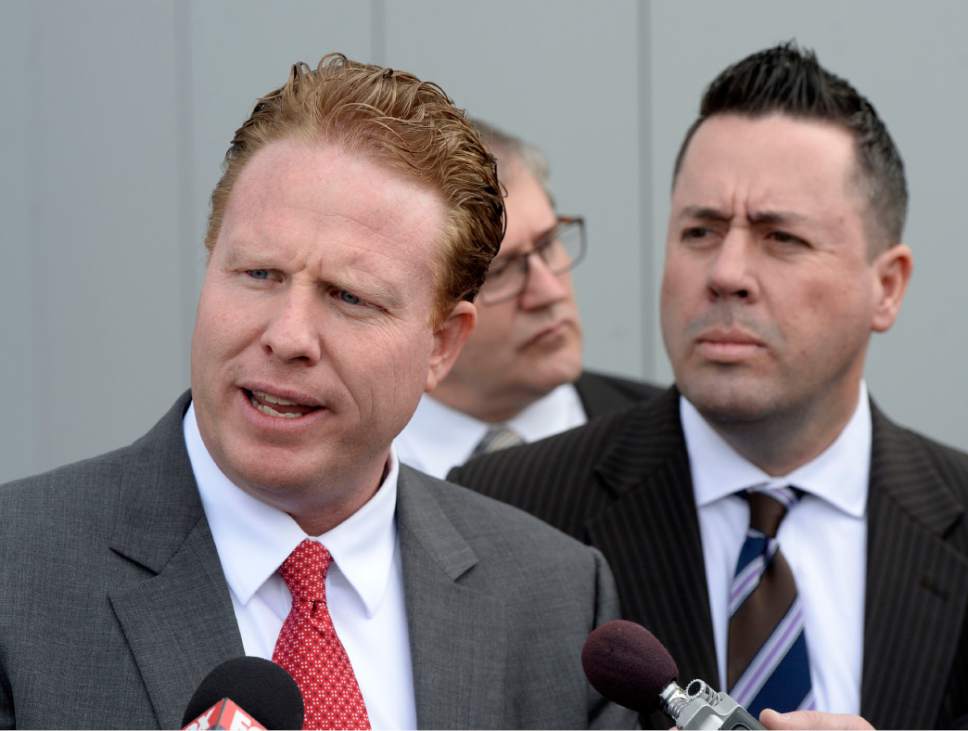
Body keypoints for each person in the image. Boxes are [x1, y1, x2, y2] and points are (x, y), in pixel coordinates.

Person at [0, 55, 634, 730]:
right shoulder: (19, 575)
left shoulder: (556, 600)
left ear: (442, 343)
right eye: (259, 273)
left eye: (348, 296)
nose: (288, 335)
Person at [450, 43, 968, 730]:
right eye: (700, 229)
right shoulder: (503, 513)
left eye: (780, 237)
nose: (726, 272)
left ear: (888, 286)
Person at [395, 120, 660, 478]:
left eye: (548, 243)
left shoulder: (670, 440)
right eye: (501, 271)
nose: (548, 291)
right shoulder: (341, 476)